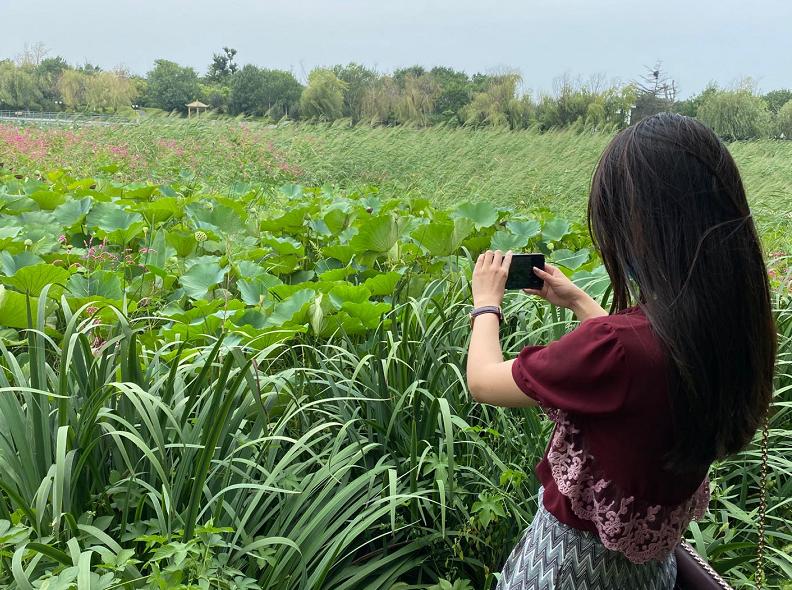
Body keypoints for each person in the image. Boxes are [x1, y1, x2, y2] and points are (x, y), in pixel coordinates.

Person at [466, 113, 776, 590]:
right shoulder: (728, 329)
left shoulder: (614, 347)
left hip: (565, 572)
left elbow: (483, 380)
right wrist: (580, 302)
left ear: (640, 229)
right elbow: (641, 365)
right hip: (650, 573)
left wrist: (486, 304)